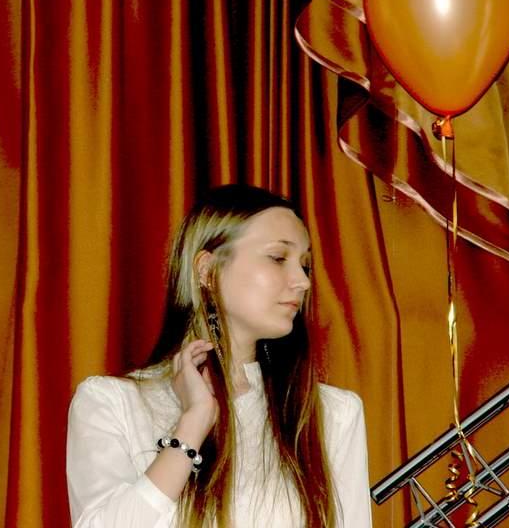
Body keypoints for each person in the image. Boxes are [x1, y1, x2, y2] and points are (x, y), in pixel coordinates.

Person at [66, 184, 372, 527]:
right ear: (207, 270)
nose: (303, 282)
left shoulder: (333, 414)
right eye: (278, 258)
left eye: (305, 265)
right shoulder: (111, 403)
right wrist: (193, 423)